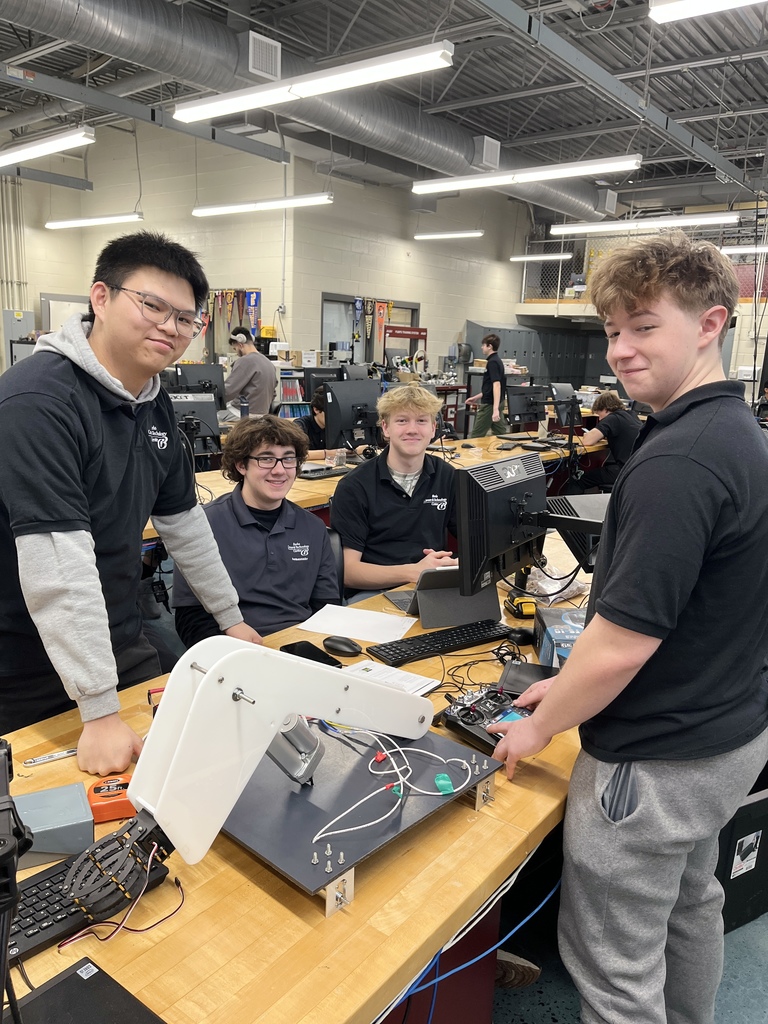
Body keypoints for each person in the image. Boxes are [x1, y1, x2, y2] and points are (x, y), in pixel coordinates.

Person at [489, 232, 768, 1024]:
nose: (619, 349)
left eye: (643, 326)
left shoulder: (680, 459)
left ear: (710, 323)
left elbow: (618, 648)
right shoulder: (735, 434)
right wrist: (565, 687)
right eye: (612, 329)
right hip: (725, 733)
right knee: (689, 905)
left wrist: (542, 724)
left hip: (655, 761)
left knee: (614, 968)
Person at [0, 231, 261, 775]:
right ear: (100, 298)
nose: (170, 326)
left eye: (186, 318)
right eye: (152, 305)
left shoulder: (153, 403)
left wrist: (230, 620)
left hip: (116, 638)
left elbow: (185, 526)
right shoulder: (38, 401)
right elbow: (58, 561)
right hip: (24, 663)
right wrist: (97, 710)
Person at [173, 416, 339, 643]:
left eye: (288, 459)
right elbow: (190, 617)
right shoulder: (204, 525)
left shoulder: (313, 527)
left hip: (300, 645)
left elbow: (326, 606)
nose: (280, 470)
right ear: (241, 465)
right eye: (266, 459)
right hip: (233, 646)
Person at [330, 385, 457, 593]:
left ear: (433, 428)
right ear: (385, 428)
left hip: (431, 588)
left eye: (421, 421)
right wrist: (413, 572)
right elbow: (349, 572)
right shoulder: (354, 486)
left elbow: (474, 541)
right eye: (402, 420)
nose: (412, 429)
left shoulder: (447, 475)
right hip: (373, 594)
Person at [564, 390, 641, 493]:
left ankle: (565, 507)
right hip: (637, 469)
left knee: (580, 480)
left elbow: (587, 441)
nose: (600, 419)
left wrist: (589, 435)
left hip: (623, 470)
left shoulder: (613, 418)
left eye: (599, 415)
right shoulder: (631, 415)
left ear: (606, 409)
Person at [220, 326, 277, 419]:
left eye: (235, 349)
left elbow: (227, 391)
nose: (237, 353)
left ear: (240, 344)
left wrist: (209, 398)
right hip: (263, 416)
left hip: (242, 414)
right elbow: (273, 394)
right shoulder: (269, 363)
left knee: (212, 417)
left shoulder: (245, 361)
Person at [466, 333, 510, 437]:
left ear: (489, 346)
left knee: (476, 436)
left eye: (483, 345)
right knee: (501, 434)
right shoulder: (496, 361)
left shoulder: (493, 362)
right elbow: (490, 388)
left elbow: (497, 385)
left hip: (490, 405)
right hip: (495, 402)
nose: (482, 347)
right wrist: (476, 397)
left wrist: (494, 409)